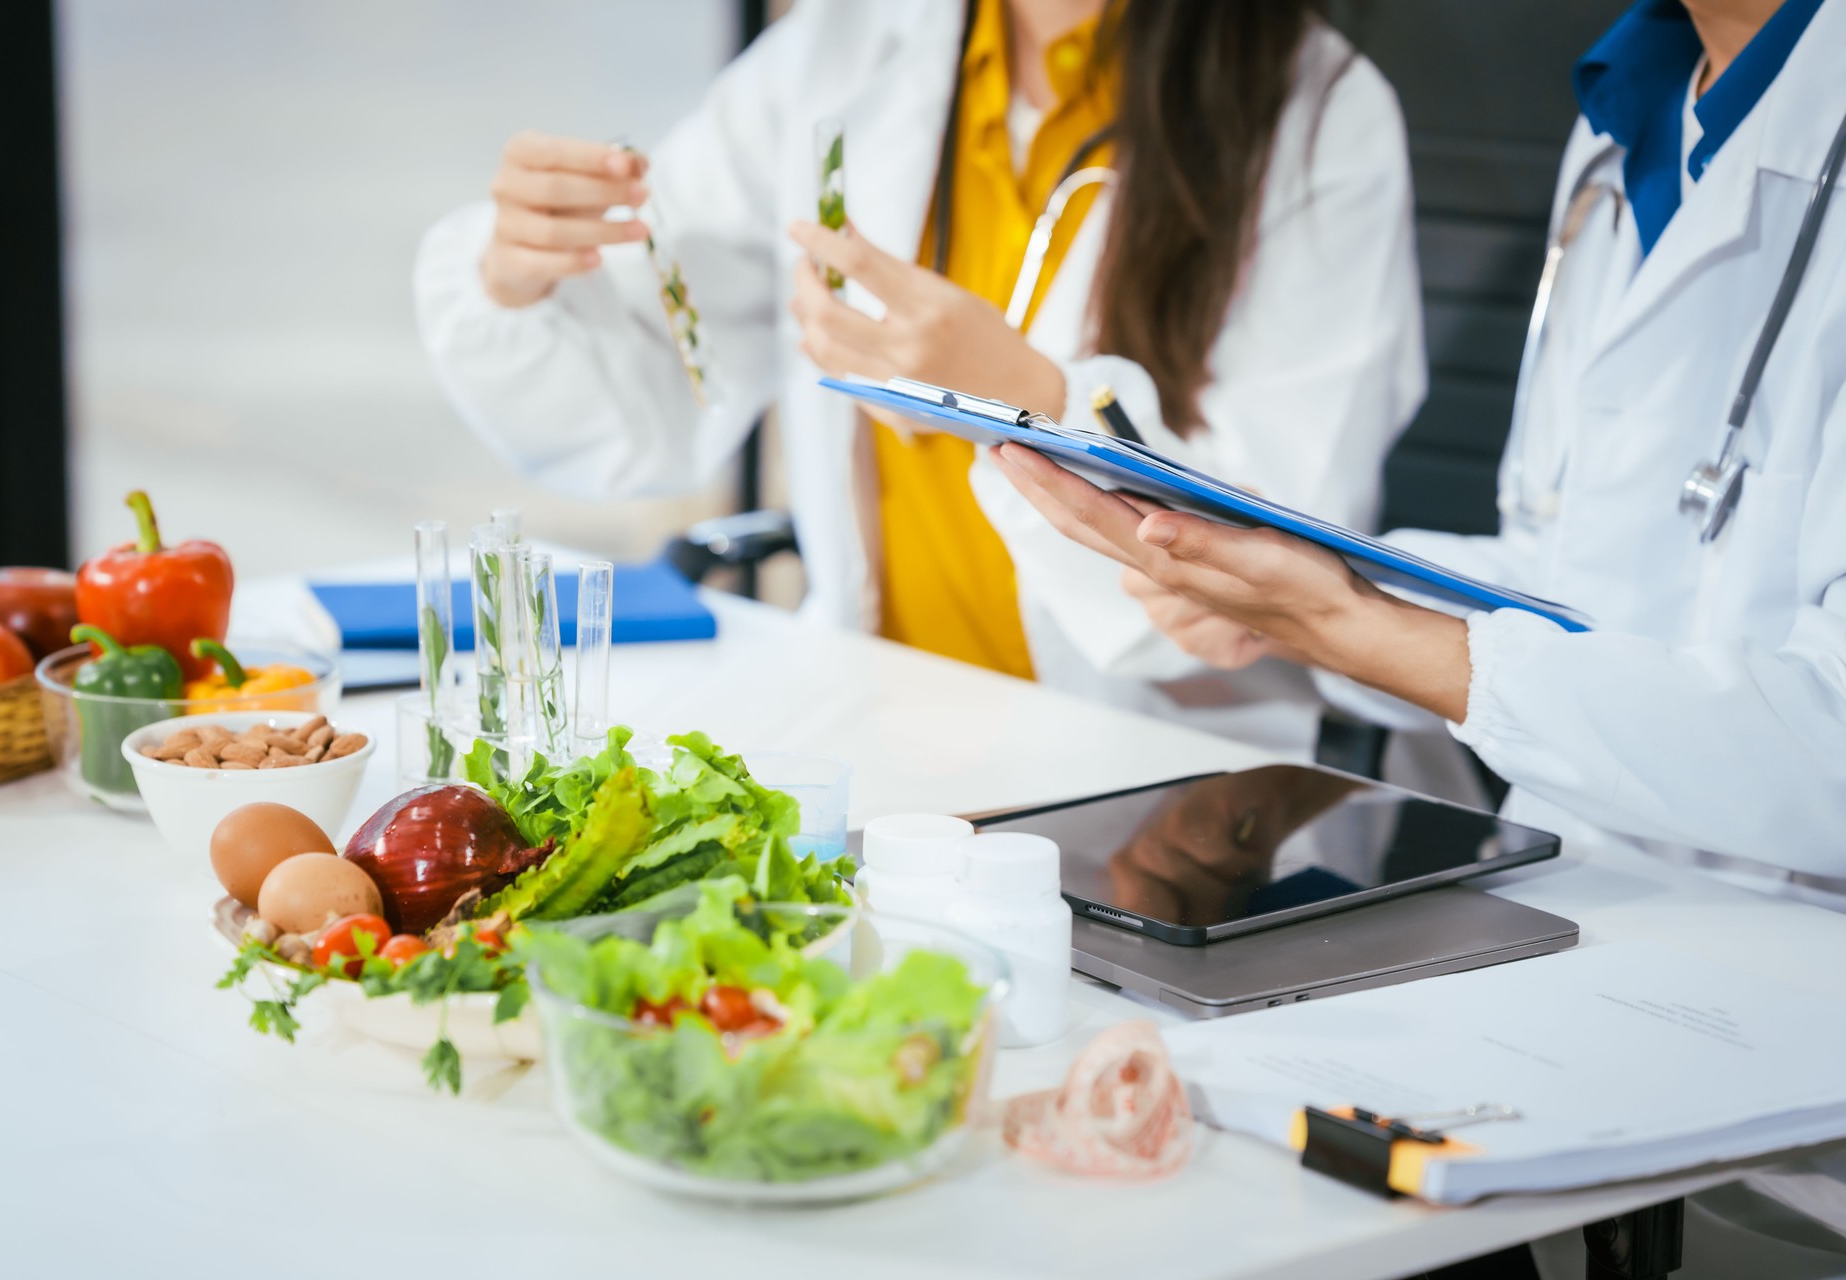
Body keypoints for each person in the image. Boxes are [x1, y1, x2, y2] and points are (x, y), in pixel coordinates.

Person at [994, 0, 1846, 1271]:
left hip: (1797, 1107)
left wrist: (1349, 623)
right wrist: (1290, 589)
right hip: (1598, 965)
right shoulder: (1628, 114)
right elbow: (1581, 586)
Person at [415, 0, 1424, 757]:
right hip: (881, 733)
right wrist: (523, 269)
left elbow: (1286, 572)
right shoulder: (846, 47)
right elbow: (663, 361)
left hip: (1169, 775)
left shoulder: (1321, 113)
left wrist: (1028, 399)